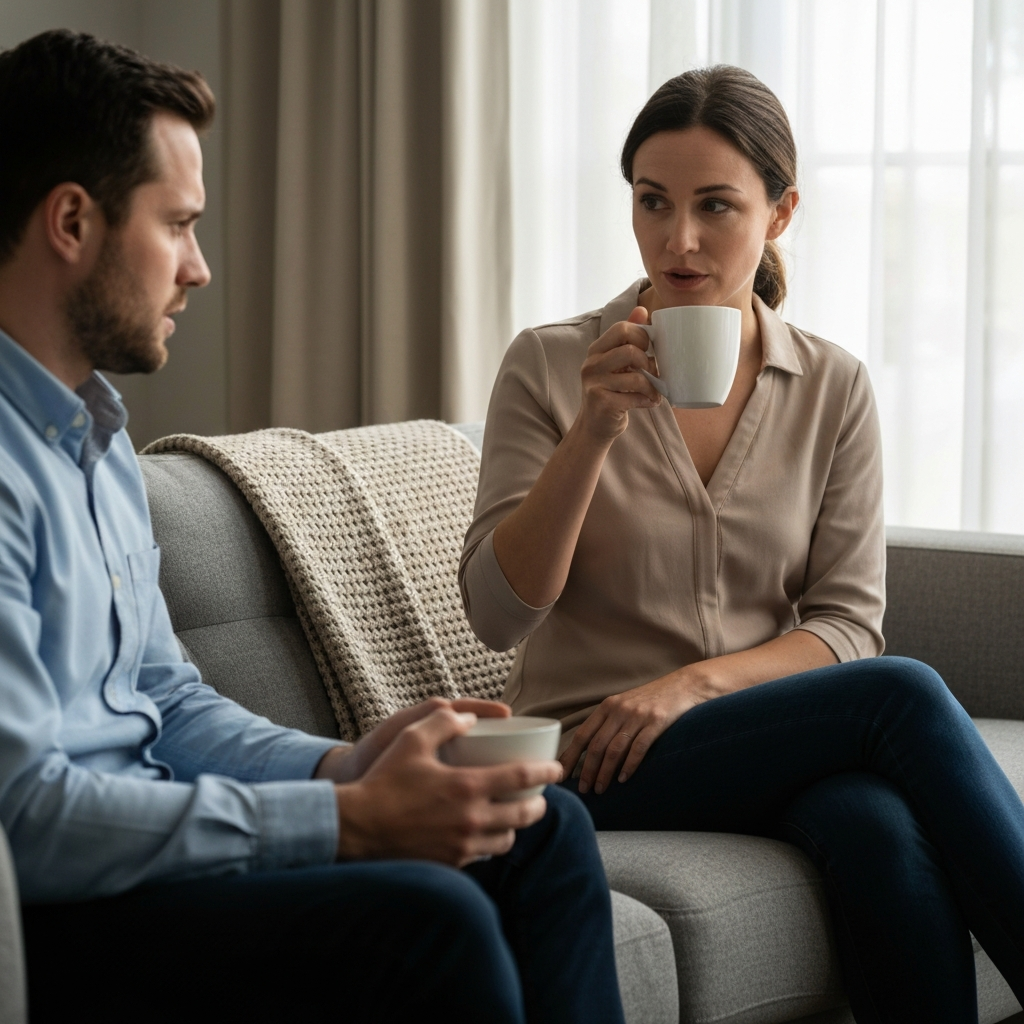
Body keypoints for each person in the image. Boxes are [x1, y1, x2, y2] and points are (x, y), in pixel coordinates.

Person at [0, 29, 626, 1024]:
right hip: (58, 914)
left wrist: (344, 762)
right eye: (179, 225)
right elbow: (25, 816)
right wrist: (345, 818)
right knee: (429, 918)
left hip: (151, 864)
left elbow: (163, 694)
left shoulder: (100, 439)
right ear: (72, 220)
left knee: (540, 826)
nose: (200, 269)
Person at [460, 65, 1024, 1024]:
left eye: (716, 205)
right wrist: (593, 430)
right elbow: (498, 612)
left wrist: (691, 685)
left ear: (780, 211)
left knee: (878, 828)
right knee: (904, 694)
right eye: (653, 202)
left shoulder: (832, 385)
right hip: (592, 756)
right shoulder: (553, 365)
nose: (677, 240)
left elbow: (847, 623)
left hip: (753, 740)